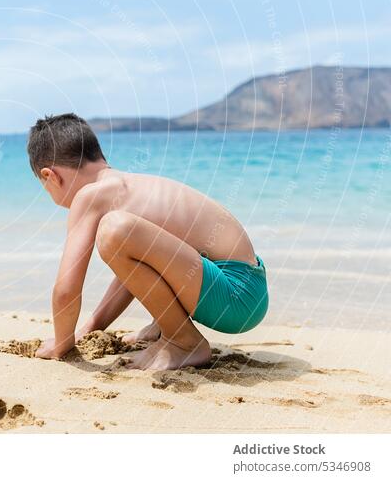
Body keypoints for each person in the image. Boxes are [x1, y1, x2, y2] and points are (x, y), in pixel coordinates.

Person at [29, 113, 268, 370]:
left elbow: (66, 290)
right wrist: (90, 328)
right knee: (125, 235)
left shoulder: (90, 196)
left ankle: (183, 342)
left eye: (46, 188)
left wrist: (61, 342)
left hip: (234, 295)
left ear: (51, 176)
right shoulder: (130, 187)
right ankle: (165, 328)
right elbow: (134, 271)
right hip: (246, 288)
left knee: (114, 230)